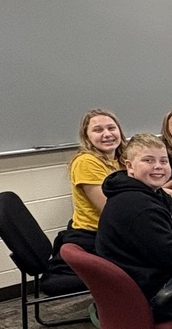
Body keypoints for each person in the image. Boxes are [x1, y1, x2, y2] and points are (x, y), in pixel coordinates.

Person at [96, 134, 172, 321]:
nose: (158, 166)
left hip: (145, 276)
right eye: (148, 160)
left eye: (163, 161)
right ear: (130, 166)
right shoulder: (139, 208)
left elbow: (171, 200)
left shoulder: (138, 188)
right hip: (158, 295)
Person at [44, 109, 128, 290]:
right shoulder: (86, 162)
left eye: (111, 128)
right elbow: (110, 209)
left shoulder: (121, 159)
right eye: (98, 130)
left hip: (114, 231)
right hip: (95, 236)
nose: (107, 134)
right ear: (87, 137)